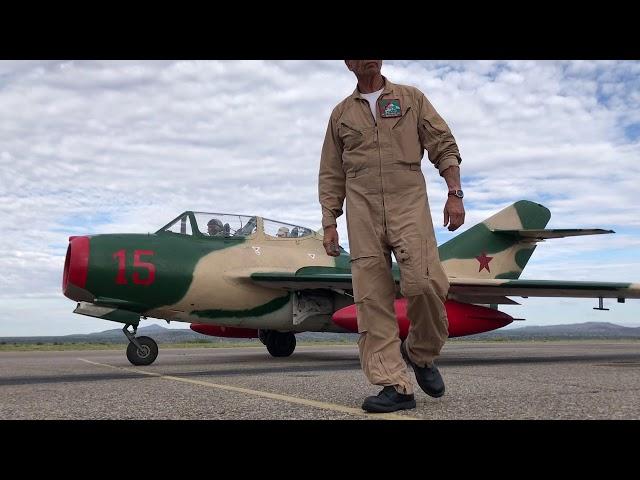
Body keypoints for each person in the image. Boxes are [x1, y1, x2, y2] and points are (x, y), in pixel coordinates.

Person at [318, 60, 465, 413]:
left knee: (425, 284)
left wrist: (454, 193)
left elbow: (442, 143)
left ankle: (421, 353)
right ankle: (394, 385)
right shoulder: (340, 115)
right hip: (362, 213)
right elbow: (331, 172)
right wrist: (329, 222)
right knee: (372, 300)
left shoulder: (411, 98)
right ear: (348, 64)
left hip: (408, 206)